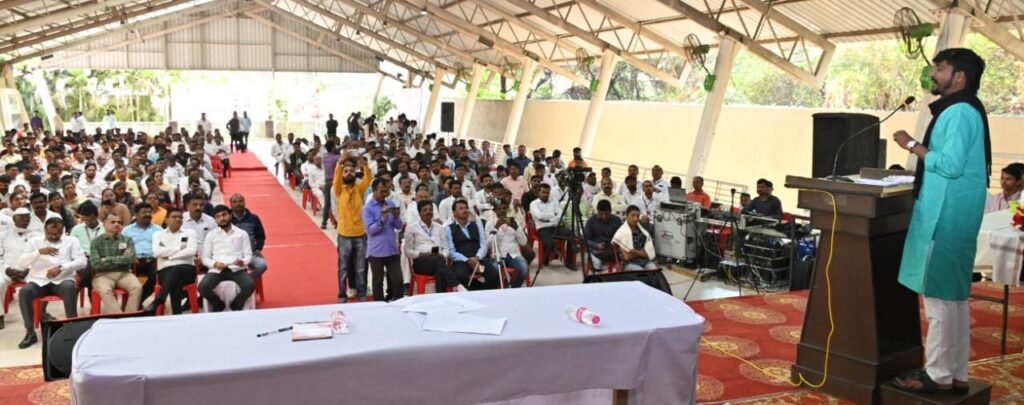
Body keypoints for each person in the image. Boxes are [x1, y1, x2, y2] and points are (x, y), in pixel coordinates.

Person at [891, 48, 990, 395]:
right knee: (953, 299)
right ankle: (955, 373)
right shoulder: (964, 109)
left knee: (939, 301)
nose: (933, 74)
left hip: (945, 217)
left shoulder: (959, 112)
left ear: (959, 76)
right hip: (954, 214)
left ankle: (937, 375)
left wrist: (911, 145)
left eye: (940, 69)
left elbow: (949, 165)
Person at [14, 218, 86, 348]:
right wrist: (38, 252)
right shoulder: (34, 242)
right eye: (50, 234)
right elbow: (20, 264)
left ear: (63, 230)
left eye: (57, 234)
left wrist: (62, 268)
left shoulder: (71, 241)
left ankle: (71, 328)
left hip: (62, 280)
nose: (54, 236)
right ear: (44, 230)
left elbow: (82, 261)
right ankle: (30, 332)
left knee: (70, 287)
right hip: (39, 280)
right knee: (24, 292)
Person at [199, 205, 255, 312]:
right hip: (217, 269)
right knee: (202, 287)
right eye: (218, 216)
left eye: (224, 215)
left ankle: (235, 306)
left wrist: (243, 262)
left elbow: (248, 255)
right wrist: (214, 264)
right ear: (215, 219)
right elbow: (205, 258)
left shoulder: (242, 234)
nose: (222, 218)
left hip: (237, 269)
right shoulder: (211, 235)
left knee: (250, 285)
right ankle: (218, 306)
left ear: (230, 215)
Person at [333, 157, 372, 302]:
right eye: (346, 171)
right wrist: (340, 164)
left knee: (361, 267)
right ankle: (342, 295)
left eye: (351, 171)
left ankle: (362, 294)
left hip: (360, 234)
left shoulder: (359, 188)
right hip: (344, 235)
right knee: (343, 268)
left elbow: (368, 179)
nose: (349, 173)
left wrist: (365, 165)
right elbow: (336, 177)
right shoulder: (338, 189)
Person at [146, 207, 198, 315]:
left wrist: (169, 256)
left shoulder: (190, 233)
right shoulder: (158, 234)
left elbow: (191, 251)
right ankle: (177, 313)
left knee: (176, 270)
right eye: (174, 217)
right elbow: (157, 252)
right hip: (165, 271)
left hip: (187, 269)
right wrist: (180, 249)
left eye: (180, 217)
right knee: (176, 279)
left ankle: (159, 300)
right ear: (166, 220)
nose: (178, 219)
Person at [91, 213, 143, 314]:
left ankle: (129, 316)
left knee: (137, 287)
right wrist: (122, 259)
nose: (116, 224)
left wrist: (106, 259)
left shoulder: (127, 240)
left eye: (119, 222)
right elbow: (96, 264)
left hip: (125, 273)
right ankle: (118, 317)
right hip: (103, 275)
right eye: (113, 222)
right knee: (105, 290)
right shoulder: (96, 242)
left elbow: (131, 259)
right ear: (104, 224)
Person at [363, 179, 404, 301]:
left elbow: (399, 226)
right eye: (382, 191)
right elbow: (370, 231)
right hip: (376, 251)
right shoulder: (367, 208)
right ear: (374, 191)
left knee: (398, 280)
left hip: (392, 249)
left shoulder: (391, 204)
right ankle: (379, 305)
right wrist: (382, 220)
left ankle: (399, 302)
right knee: (377, 281)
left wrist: (396, 217)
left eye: (387, 191)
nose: (385, 194)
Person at [445, 200, 500, 289]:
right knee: (460, 276)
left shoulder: (476, 225)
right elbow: (451, 252)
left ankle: (483, 293)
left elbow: (483, 244)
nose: (465, 210)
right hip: (462, 261)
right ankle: (473, 291)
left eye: (466, 208)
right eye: (461, 208)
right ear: (454, 213)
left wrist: (477, 257)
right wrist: (468, 260)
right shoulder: (449, 229)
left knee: (494, 275)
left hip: (479, 259)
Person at [0, 209, 39, 330]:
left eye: (27, 217)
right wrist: (7, 269)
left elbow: (39, 256)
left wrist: (28, 269)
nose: (25, 220)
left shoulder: (35, 236)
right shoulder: (3, 235)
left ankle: (41, 313)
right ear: (14, 219)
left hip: (29, 271)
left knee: (39, 284)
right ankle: (0, 316)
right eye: (21, 217)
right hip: (7, 270)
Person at [121, 202, 162, 307]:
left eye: (149, 212)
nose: (147, 214)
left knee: (157, 276)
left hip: (152, 259)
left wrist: (154, 256)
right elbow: (122, 247)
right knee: (125, 277)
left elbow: (163, 247)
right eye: (144, 212)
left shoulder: (158, 230)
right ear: (136, 214)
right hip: (133, 260)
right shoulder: (127, 230)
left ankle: (138, 301)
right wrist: (130, 256)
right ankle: (133, 303)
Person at [531, 183, 577, 270]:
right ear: (538, 193)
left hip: (556, 227)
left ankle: (569, 262)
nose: (545, 195)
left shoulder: (554, 202)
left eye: (547, 192)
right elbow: (539, 216)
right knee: (549, 242)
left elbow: (561, 215)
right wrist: (553, 215)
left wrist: (548, 219)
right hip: (543, 229)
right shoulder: (534, 204)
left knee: (570, 234)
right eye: (543, 192)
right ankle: (551, 254)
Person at [487, 201, 529, 287]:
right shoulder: (490, 224)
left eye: (504, 208)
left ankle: (514, 288)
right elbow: (489, 245)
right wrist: (496, 228)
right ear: (495, 211)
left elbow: (524, 242)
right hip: (498, 255)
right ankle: (500, 288)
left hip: (514, 254)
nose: (502, 211)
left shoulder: (514, 221)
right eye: (499, 209)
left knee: (524, 269)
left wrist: (516, 228)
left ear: (507, 209)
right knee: (494, 270)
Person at [229, 194, 268, 278]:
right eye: (235, 202)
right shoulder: (227, 220)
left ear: (244, 202)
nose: (238, 204)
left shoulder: (254, 218)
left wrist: (258, 249)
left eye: (240, 201)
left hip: (251, 254)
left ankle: (247, 280)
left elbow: (260, 236)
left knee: (262, 265)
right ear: (231, 205)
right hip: (232, 255)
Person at [69, 202, 102, 298]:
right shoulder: (76, 229)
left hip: (100, 258)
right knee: (88, 269)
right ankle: (91, 292)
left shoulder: (105, 228)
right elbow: (70, 246)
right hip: (82, 257)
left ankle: (78, 287)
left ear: (96, 216)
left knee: (91, 269)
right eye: (85, 220)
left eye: (91, 219)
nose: (88, 222)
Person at [612, 206, 658, 270]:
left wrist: (635, 251)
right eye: (633, 215)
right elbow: (627, 256)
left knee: (654, 270)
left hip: (645, 261)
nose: (635, 218)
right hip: (629, 263)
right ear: (627, 216)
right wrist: (641, 252)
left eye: (637, 216)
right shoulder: (622, 233)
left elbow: (648, 253)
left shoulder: (643, 232)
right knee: (641, 272)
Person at [585, 200, 623, 271]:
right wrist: (596, 245)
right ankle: (596, 265)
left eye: (606, 214)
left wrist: (617, 243)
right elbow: (585, 240)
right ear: (597, 212)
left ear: (610, 211)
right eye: (601, 214)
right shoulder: (591, 221)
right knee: (595, 264)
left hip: (613, 251)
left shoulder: (617, 220)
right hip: (597, 251)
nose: (604, 217)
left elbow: (623, 237)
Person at [321, 141, 341, 229]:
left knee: (327, 203)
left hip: (327, 182)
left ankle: (324, 222)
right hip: (334, 182)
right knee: (336, 203)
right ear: (333, 148)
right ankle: (336, 222)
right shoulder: (336, 157)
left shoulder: (324, 156)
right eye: (335, 146)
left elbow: (336, 150)